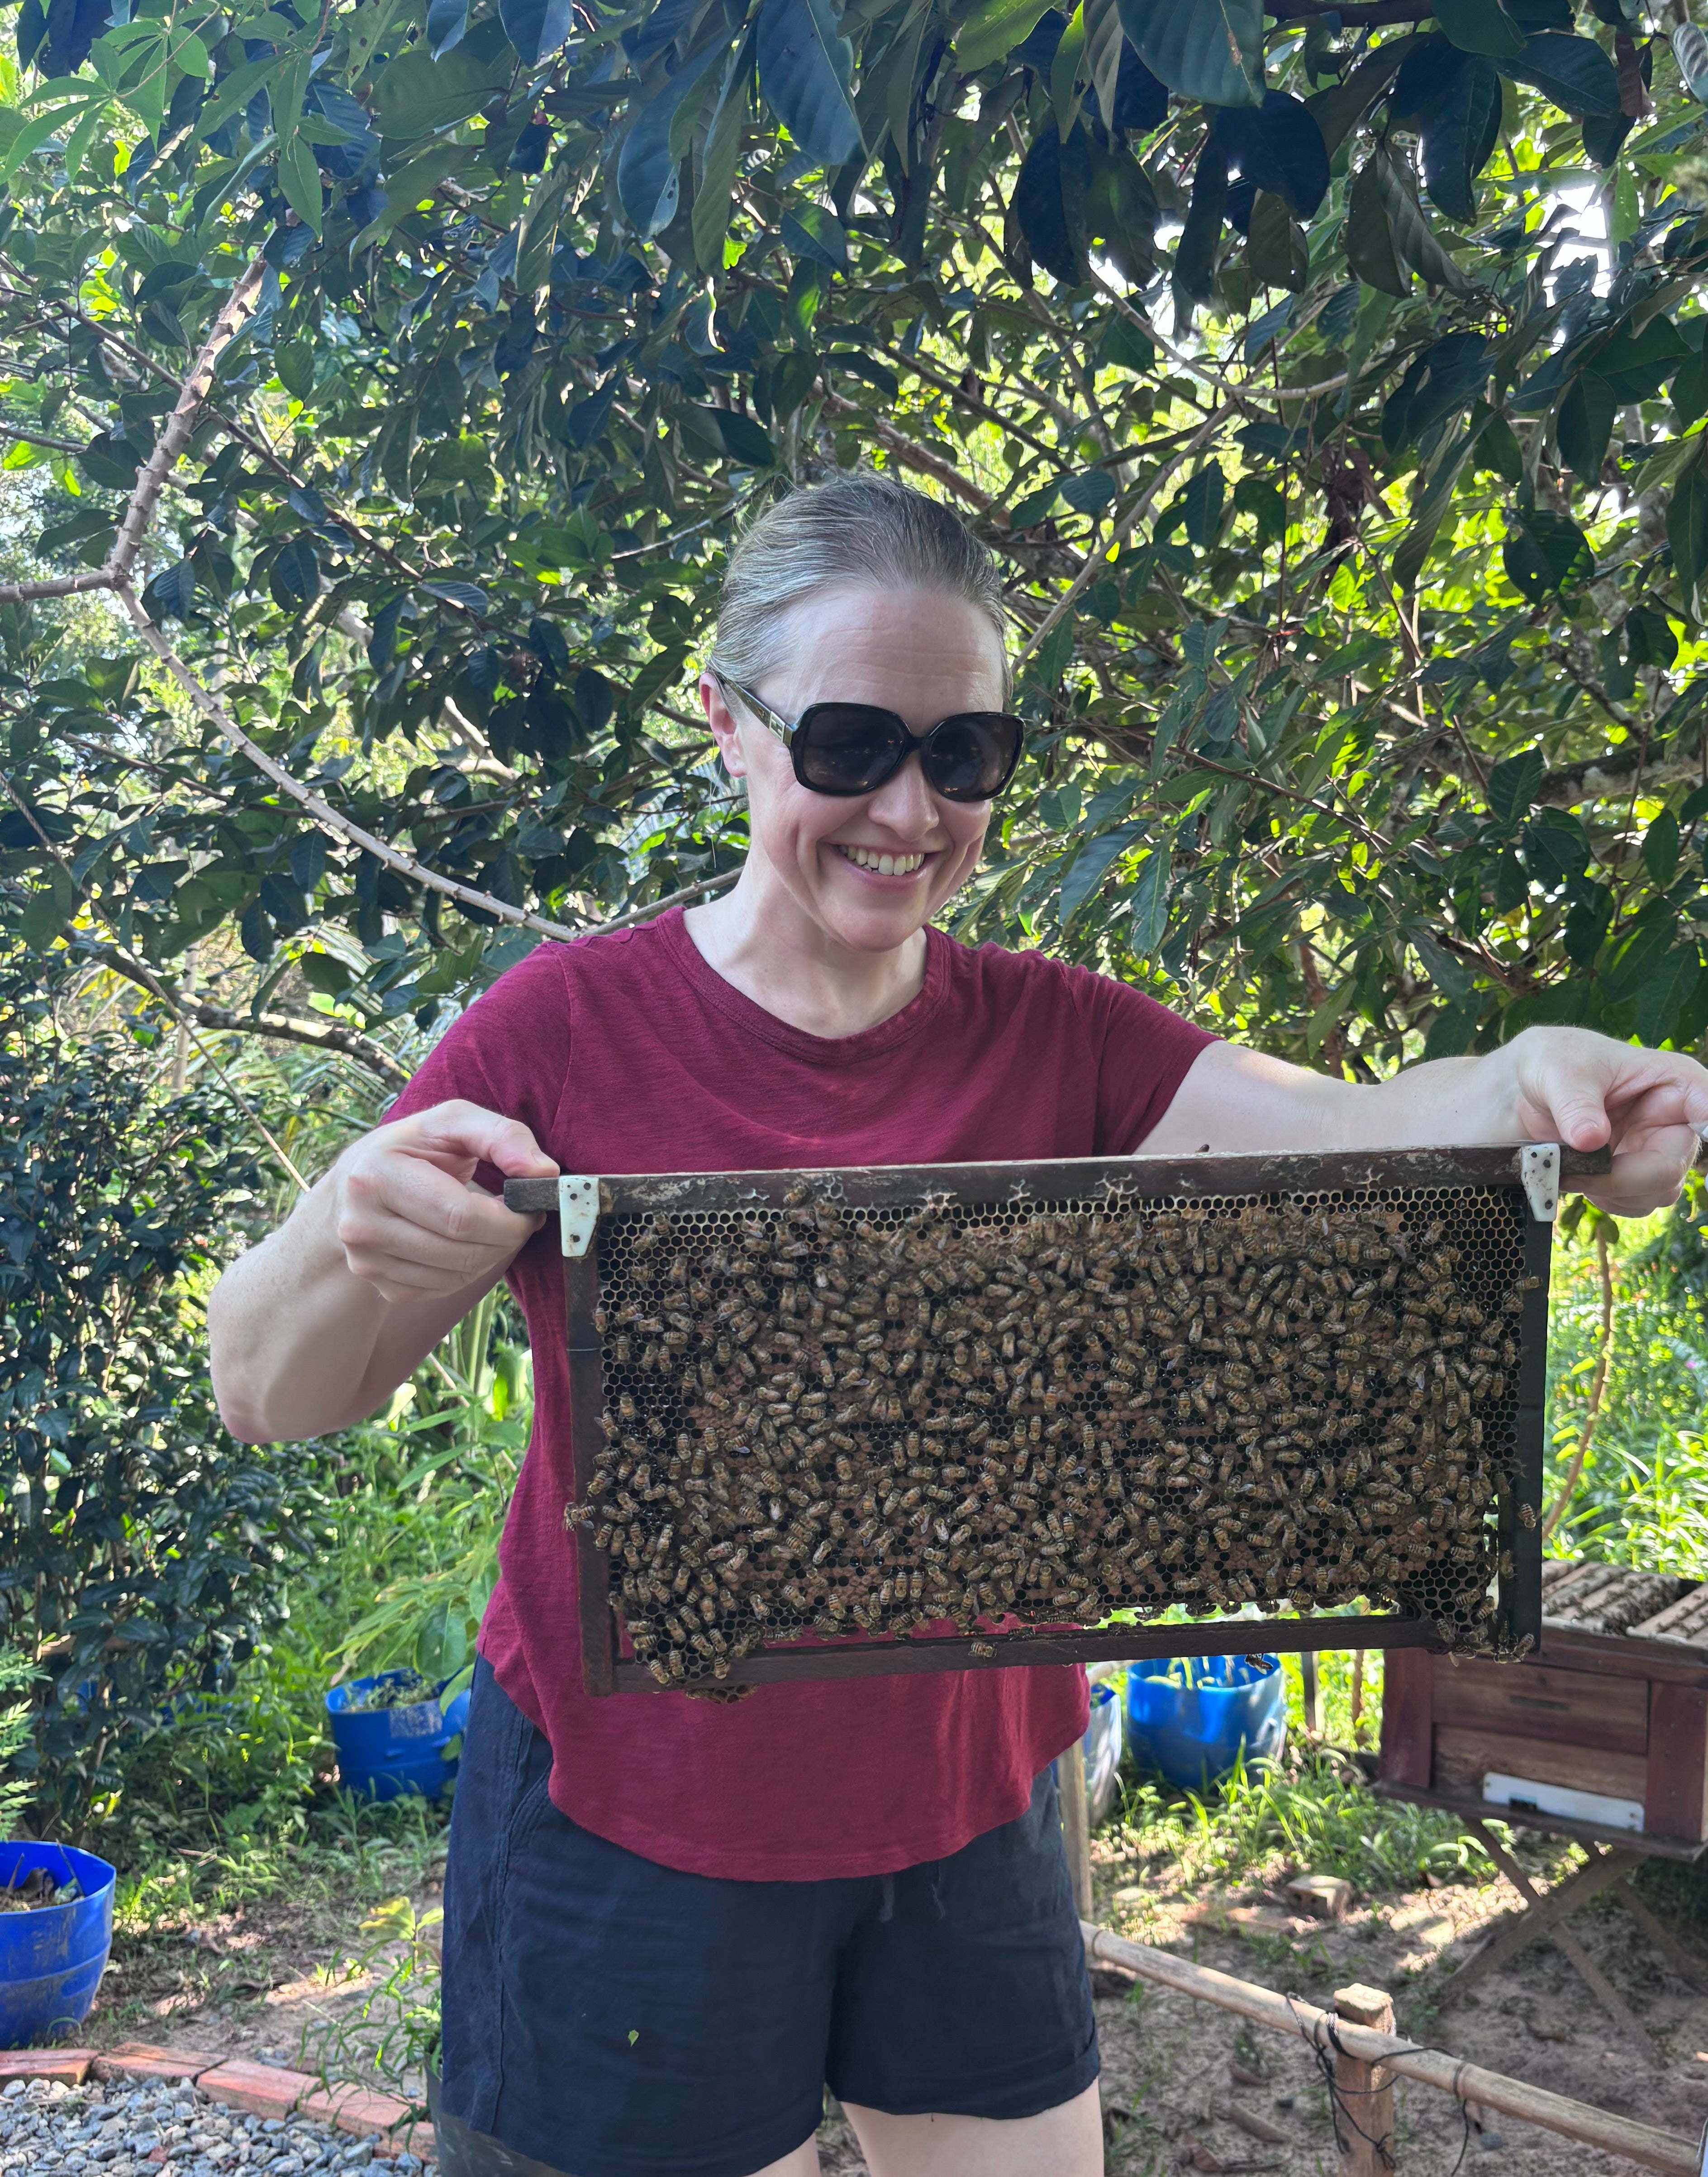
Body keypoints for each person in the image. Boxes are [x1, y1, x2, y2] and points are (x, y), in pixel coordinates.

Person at [209, 471, 1708, 2177]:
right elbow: (266, 1388)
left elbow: (1352, 1127)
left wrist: (1530, 1093)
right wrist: (354, 1226)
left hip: (973, 1806)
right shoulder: (564, 1029)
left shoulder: (1061, 1035)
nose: (908, 807)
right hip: (632, 1828)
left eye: (964, 754)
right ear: (729, 725)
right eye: (849, 743)